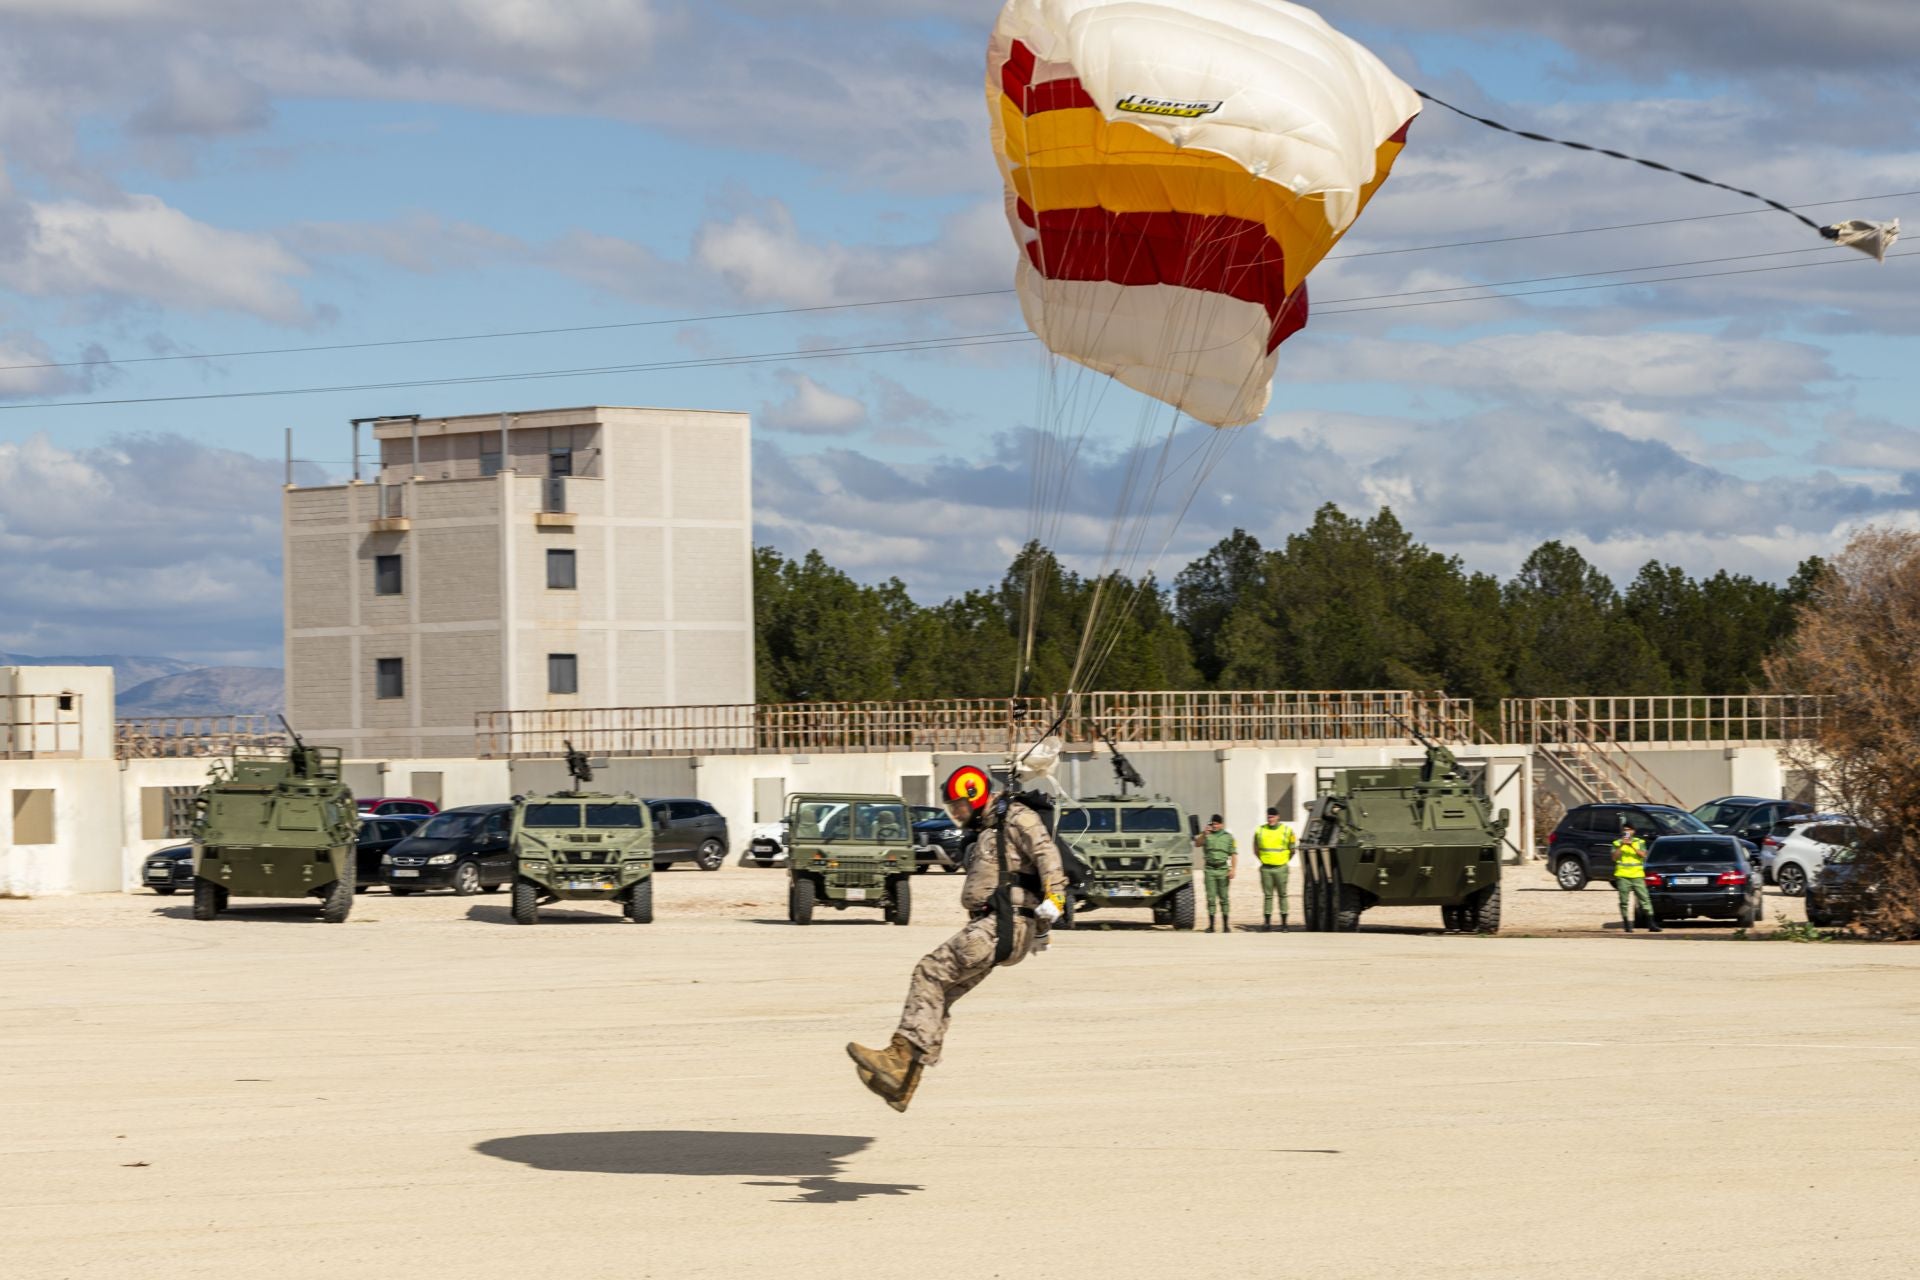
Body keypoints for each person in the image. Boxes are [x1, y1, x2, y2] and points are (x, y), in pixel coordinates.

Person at [847, 765, 1067, 1112]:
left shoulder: (1015, 816)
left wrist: (1054, 901)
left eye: (957, 806)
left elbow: (1046, 853)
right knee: (939, 995)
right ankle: (904, 1083)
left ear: (975, 794)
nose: (954, 814)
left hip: (999, 924)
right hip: (998, 928)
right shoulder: (991, 825)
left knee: (929, 972)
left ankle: (897, 1059)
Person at [1611, 821, 1661, 934]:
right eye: (1625, 830)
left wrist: (1631, 846)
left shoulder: (1639, 842)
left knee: (1645, 899)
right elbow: (1614, 857)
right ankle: (1627, 924)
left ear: (1633, 831)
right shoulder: (1617, 843)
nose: (1627, 832)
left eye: (1629, 830)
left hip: (1637, 875)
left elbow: (1644, 855)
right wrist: (1622, 845)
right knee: (1624, 901)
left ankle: (1651, 923)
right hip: (1623, 875)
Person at [1253, 807, 1296, 932]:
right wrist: (1263, 860)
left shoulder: (1287, 830)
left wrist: (1284, 860)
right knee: (1268, 896)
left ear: (1278, 817)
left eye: (1272, 816)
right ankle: (1267, 923)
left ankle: (1284, 924)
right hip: (1266, 868)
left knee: (1283, 895)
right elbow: (1255, 849)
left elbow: (1292, 849)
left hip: (1281, 867)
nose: (1270, 819)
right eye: (1269, 816)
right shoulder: (1260, 830)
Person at [1195, 814, 1237, 933]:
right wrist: (1204, 834)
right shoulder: (1206, 835)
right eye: (1213, 823)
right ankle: (1211, 925)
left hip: (1223, 869)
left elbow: (1233, 853)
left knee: (1224, 898)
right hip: (1210, 870)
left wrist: (1233, 869)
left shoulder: (1228, 837)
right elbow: (1197, 844)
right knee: (1211, 898)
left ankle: (1225, 925)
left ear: (1222, 824)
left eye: (1217, 824)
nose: (1215, 826)